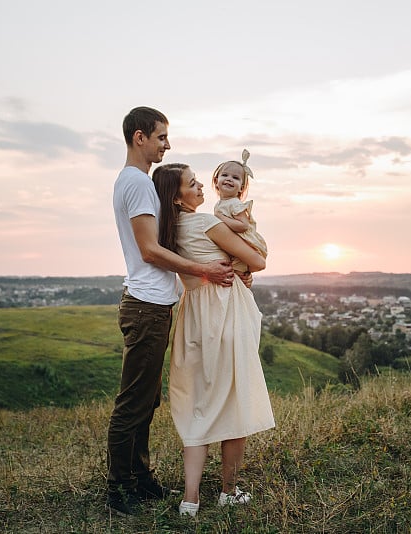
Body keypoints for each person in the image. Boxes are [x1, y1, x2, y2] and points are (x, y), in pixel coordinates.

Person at [106, 107, 236, 517]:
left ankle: (140, 478)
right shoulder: (139, 184)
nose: (167, 144)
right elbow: (149, 250)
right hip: (145, 306)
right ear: (139, 137)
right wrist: (203, 270)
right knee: (133, 402)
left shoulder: (135, 182)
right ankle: (119, 487)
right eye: (162, 137)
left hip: (152, 305)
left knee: (146, 402)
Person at [152, 163, 275, 518]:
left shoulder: (167, 231)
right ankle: (228, 490)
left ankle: (190, 499)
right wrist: (242, 270)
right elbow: (257, 259)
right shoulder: (206, 223)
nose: (201, 187)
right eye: (192, 184)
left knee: (198, 405)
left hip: (193, 319)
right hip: (224, 315)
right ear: (177, 196)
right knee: (233, 400)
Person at [211, 149, 268, 274]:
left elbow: (243, 225)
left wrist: (221, 218)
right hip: (231, 245)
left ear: (241, 188)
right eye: (225, 175)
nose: (229, 179)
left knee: (238, 272)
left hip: (243, 244)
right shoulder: (220, 204)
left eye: (235, 178)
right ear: (216, 181)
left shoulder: (235, 204)